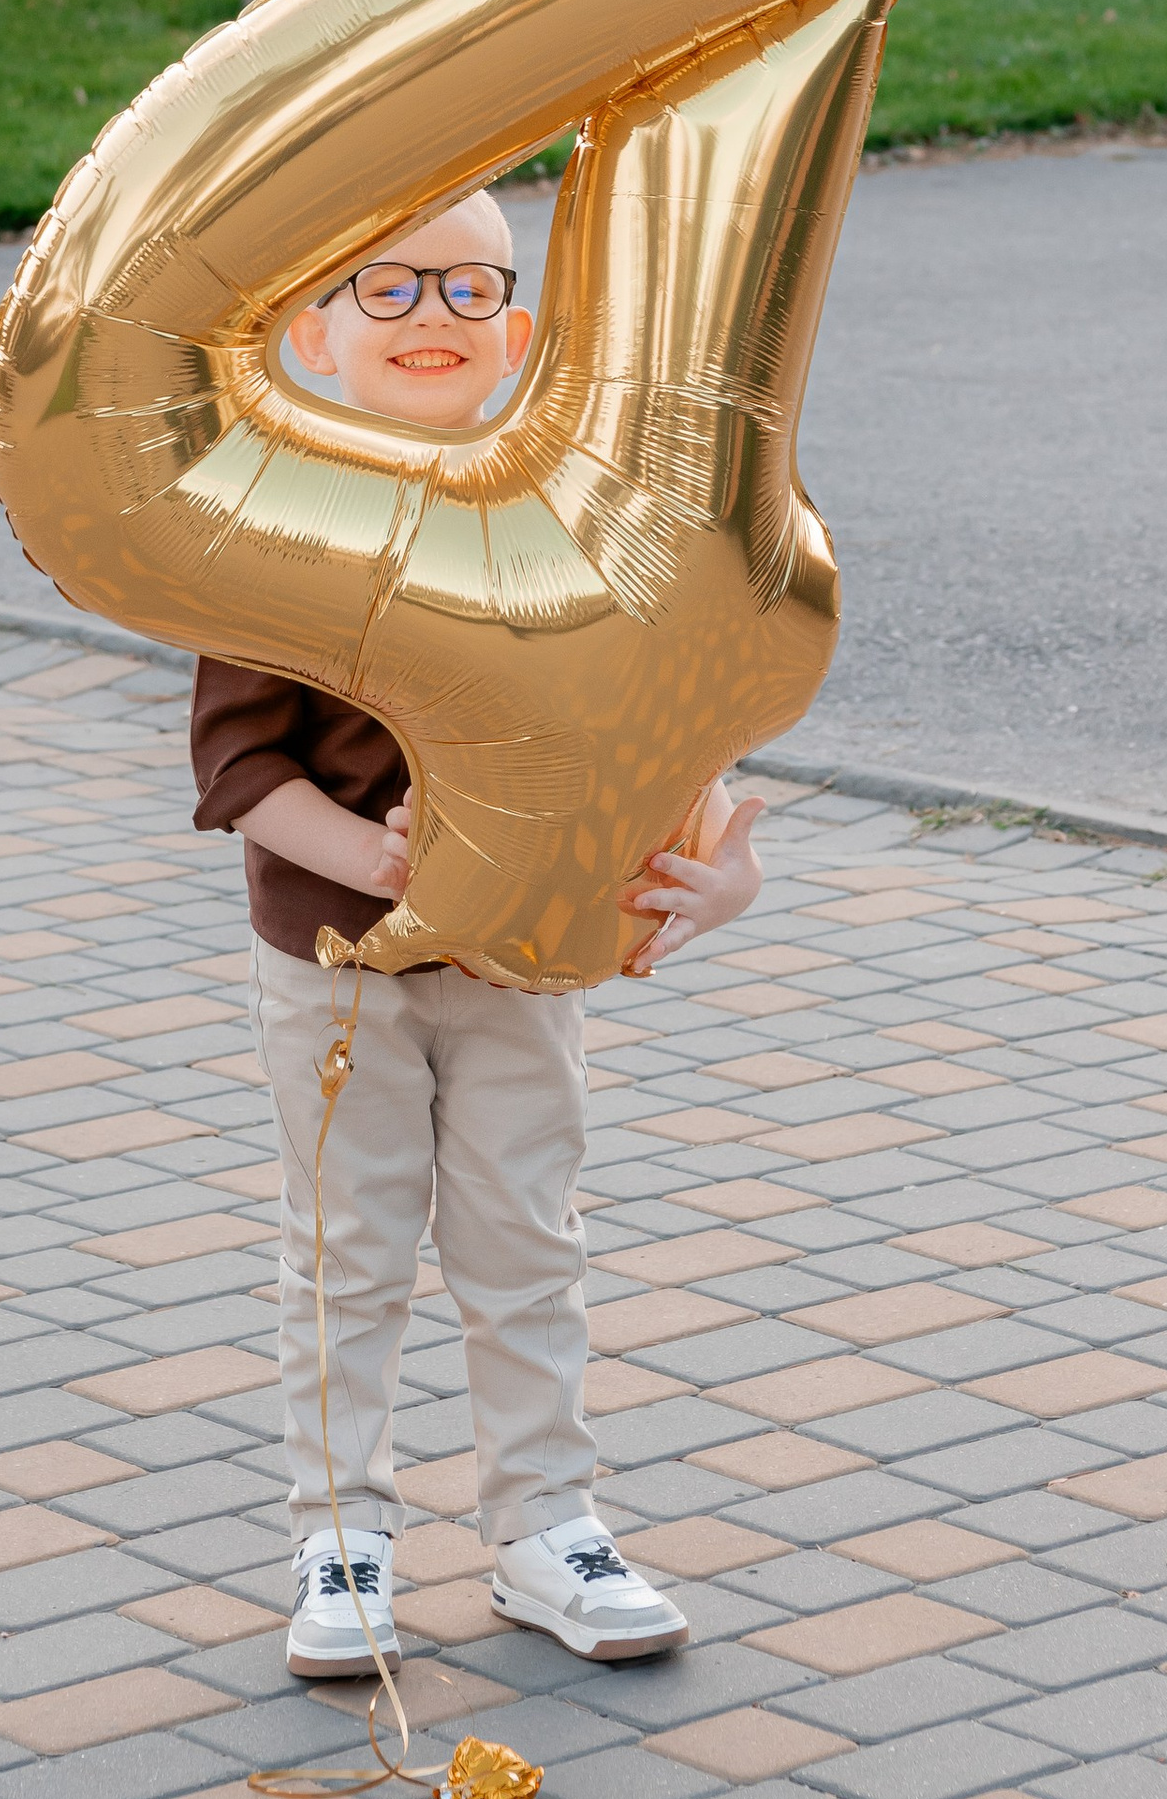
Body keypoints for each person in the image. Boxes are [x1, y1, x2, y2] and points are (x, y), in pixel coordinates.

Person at [189, 184, 767, 1679]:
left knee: (526, 1245)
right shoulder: (278, 524)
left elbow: (653, 713)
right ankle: (343, 1538)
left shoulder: (559, 514)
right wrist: (376, 867)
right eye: (389, 290)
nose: (431, 320)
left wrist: (717, 867)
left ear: (517, 332)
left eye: (467, 291)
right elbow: (242, 772)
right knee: (347, 1251)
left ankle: (543, 1529)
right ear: (315, 333)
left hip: (523, 966)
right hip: (338, 968)